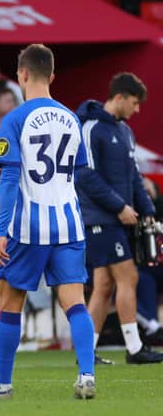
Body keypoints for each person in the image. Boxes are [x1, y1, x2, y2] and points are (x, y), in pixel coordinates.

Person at [0, 44, 96, 400]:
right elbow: (78, 173)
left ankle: (3, 383)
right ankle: (86, 375)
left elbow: (8, 180)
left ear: (21, 74)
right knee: (74, 301)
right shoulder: (71, 118)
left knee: (10, 301)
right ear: (52, 76)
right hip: (69, 223)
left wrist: (1, 231)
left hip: (30, 225)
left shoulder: (14, 119)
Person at [76, 73, 163, 365]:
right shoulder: (90, 128)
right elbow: (85, 175)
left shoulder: (124, 132)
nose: (136, 110)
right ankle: (135, 348)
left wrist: (147, 210)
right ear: (121, 97)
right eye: (135, 103)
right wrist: (118, 207)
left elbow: (133, 177)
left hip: (116, 218)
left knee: (104, 286)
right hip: (100, 218)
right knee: (129, 276)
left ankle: (85, 351)